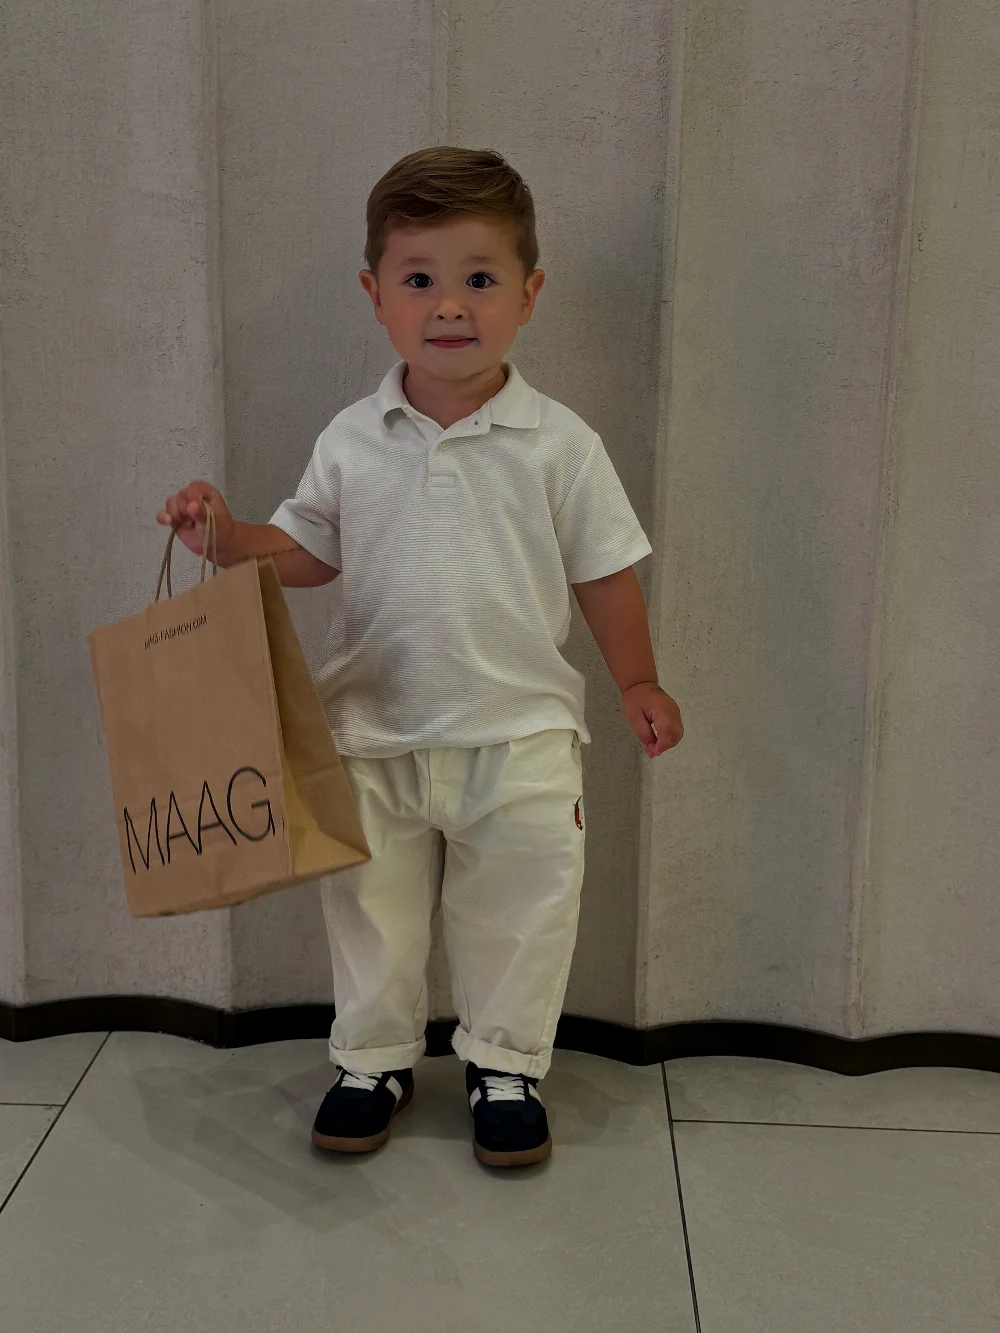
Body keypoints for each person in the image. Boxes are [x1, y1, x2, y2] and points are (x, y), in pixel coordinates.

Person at [158, 146, 684, 1168]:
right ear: (375, 295)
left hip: (520, 734)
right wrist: (223, 537)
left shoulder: (559, 443)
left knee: (522, 910)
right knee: (371, 912)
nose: (449, 305)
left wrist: (637, 679)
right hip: (371, 728)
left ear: (528, 294)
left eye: (479, 278)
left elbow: (604, 571)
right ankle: (372, 1060)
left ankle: (505, 1066)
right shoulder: (353, 439)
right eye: (419, 279)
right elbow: (308, 551)